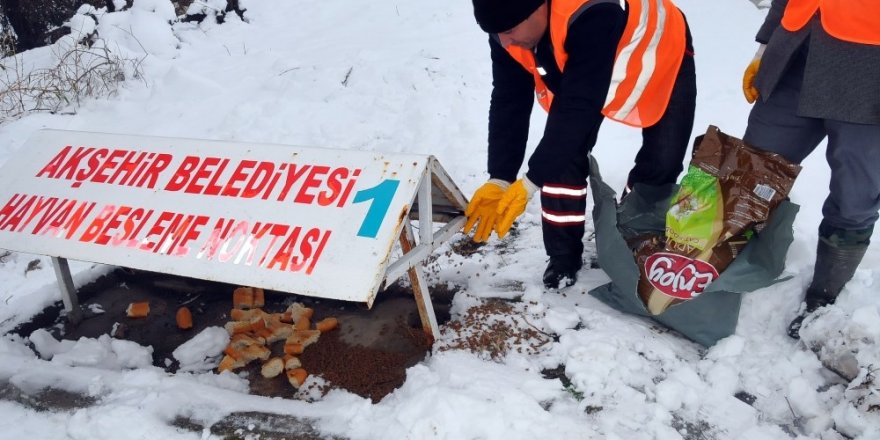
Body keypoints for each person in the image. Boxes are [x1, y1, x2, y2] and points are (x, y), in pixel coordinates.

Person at [463, 0, 696, 288]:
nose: (505, 42)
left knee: (663, 157)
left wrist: (531, 181)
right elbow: (509, 99)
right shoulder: (506, 27)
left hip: (660, 51)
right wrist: (500, 176)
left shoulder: (592, 12)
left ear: (538, 7)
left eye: (509, 30)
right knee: (562, 157)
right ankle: (563, 256)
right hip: (586, 61)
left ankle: (631, 235)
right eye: (496, 34)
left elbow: (580, 107)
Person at [741, 0, 880, 338]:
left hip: (870, 67)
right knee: (752, 170)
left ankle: (822, 299)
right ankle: (711, 265)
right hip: (798, 48)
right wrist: (767, 43)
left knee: (855, 196)